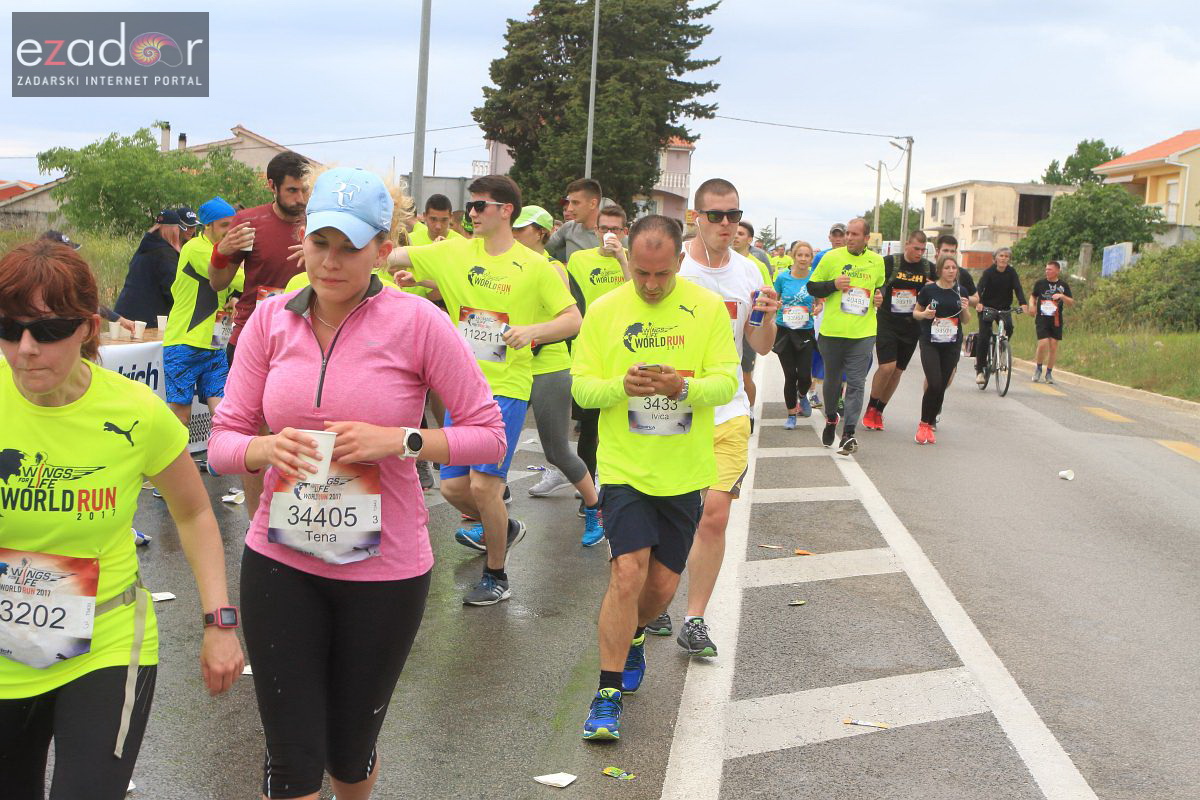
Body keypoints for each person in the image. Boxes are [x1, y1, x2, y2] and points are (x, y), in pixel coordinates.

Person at [209, 167, 505, 800]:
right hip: (281, 560)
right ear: (302, 242)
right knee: (291, 758)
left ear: (381, 248)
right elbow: (222, 443)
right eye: (320, 243)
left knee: (348, 752)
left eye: (350, 247)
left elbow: (488, 433)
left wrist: (402, 441)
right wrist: (265, 447)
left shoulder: (420, 323)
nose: (331, 262)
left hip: (385, 571)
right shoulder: (268, 321)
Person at [0, 239, 242, 799]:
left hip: (105, 639)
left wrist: (220, 621)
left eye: (48, 330)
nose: (25, 350)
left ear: (87, 327)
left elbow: (196, 513)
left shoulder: (135, 412)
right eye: (9, 329)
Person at [572, 214, 739, 740]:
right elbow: (583, 391)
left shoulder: (705, 308)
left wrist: (681, 388)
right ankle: (606, 694)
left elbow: (726, 382)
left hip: (684, 471)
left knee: (662, 587)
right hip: (624, 468)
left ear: (677, 264)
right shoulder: (604, 312)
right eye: (641, 274)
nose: (649, 285)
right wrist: (622, 385)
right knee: (627, 573)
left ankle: (639, 634)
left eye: (660, 275)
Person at [388, 175, 582, 606]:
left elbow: (572, 319)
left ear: (506, 210)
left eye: (480, 206)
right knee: (455, 489)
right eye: (470, 207)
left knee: (484, 486)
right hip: (462, 387)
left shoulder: (535, 266)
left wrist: (532, 331)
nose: (471, 213)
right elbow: (392, 255)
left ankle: (497, 575)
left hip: (507, 388)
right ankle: (504, 528)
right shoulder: (453, 251)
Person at [676, 178, 780, 656]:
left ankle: (695, 617)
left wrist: (768, 316)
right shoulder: (673, 266)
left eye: (733, 215)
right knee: (673, 514)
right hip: (671, 409)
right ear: (695, 216)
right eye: (715, 215)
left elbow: (758, 346)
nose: (725, 224)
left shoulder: (751, 273)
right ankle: (658, 595)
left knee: (714, 515)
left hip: (729, 406)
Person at [208, 151, 312, 520]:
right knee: (255, 436)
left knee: (298, 429)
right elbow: (217, 282)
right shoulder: (248, 223)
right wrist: (222, 254)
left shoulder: (317, 223)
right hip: (251, 339)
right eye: (292, 190)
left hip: (307, 340)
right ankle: (258, 522)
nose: (300, 200)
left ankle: (300, 515)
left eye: (304, 190)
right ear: (272, 186)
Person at [512, 204, 605, 546]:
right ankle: (489, 522)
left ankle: (595, 508)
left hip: (548, 367)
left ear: (540, 232)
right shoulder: (510, 267)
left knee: (556, 452)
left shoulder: (553, 269)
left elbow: (568, 321)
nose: (515, 234)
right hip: (511, 367)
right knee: (496, 447)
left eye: (521, 229)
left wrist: (531, 333)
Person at [562, 204, 632, 516]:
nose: (609, 234)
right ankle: (588, 494)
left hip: (626, 350)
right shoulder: (578, 259)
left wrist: (621, 258)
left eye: (616, 229)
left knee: (623, 422)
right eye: (604, 228)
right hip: (590, 351)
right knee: (588, 427)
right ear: (595, 231)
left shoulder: (631, 258)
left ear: (625, 232)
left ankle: (620, 487)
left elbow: (639, 294)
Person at [162, 196, 244, 427]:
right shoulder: (195, 248)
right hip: (185, 342)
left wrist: (235, 298)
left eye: (233, 224)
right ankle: (175, 462)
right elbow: (239, 279)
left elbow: (236, 288)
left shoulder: (229, 254)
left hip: (216, 341)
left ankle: (222, 460)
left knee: (223, 415)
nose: (231, 231)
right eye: (224, 225)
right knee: (181, 415)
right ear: (207, 226)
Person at [806, 218, 885, 455]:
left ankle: (849, 433)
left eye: (854, 234)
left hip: (863, 332)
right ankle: (832, 418)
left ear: (866, 238)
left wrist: (879, 298)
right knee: (832, 381)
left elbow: (878, 288)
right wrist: (833, 285)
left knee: (856, 382)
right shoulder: (831, 258)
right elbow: (812, 287)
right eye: (847, 233)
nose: (849, 238)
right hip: (832, 331)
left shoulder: (877, 261)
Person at [863, 231, 932, 431]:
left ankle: (879, 411)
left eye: (922, 249)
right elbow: (876, 282)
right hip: (887, 322)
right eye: (915, 248)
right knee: (887, 367)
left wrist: (933, 287)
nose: (919, 253)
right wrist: (878, 294)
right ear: (907, 245)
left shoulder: (928, 268)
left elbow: (944, 286)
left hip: (912, 326)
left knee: (897, 372)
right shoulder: (890, 262)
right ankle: (870, 407)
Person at [913, 254, 971, 444]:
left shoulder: (960, 291)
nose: (951, 271)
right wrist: (925, 314)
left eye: (954, 268)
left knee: (943, 385)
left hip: (951, 343)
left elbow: (966, 320)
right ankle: (923, 424)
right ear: (939, 270)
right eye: (947, 268)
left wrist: (965, 308)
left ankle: (929, 424)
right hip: (930, 341)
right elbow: (916, 313)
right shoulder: (929, 290)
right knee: (934, 383)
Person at [112, 208, 187, 328]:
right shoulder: (165, 254)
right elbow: (173, 289)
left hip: (123, 314)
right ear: (174, 230)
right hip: (144, 320)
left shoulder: (145, 247)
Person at [773, 241, 820, 428]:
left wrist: (818, 308)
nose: (803, 258)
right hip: (784, 330)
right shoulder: (783, 278)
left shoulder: (814, 279)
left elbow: (819, 302)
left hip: (805, 331)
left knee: (805, 377)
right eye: (799, 255)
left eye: (806, 255)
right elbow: (774, 299)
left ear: (810, 259)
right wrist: (775, 306)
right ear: (793, 256)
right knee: (790, 375)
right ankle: (791, 415)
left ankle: (803, 395)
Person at [730, 220, 773, 410]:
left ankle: (750, 412)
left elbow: (766, 293)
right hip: (726, 325)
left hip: (749, 324)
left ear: (749, 239)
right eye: (735, 233)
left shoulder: (757, 265)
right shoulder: (723, 261)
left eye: (741, 233)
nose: (736, 236)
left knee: (746, 375)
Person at [807, 222, 848, 410]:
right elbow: (815, 283)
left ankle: (839, 396)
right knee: (819, 351)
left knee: (843, 355)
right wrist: (818, 303)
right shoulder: (821, 257)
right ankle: (812, 391)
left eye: (842, 235)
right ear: (830, 237)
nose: (838, 239)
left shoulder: (853, 258)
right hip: (824, 310)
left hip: (846, 312)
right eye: (835, 235)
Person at [974, 246, 1027, 385]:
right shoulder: (989, 272)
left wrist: (1023, 303)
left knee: (1009, 327)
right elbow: (980, 288)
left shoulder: (1011, 272)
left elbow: (1018, 288)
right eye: (1001, 256)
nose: (1004, 259)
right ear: (995, 258)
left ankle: (1002, 349)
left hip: (1003, 308)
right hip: (987, 307)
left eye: (1006, 256)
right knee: (984, 336)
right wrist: (978, 302)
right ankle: (980, 370)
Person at [1029, 260, 1074, 384]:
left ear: (1057, 271)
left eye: (1050, 269)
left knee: (1053, 346)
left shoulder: (1063, 285)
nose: (1047, 271)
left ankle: (1049, 373)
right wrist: (1031, 305)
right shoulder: (1040, 283)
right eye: (1046, 269)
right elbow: (1033, 296)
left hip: (1056, 318)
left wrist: (1062, 296)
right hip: (1042, 318)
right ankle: (1038, 368)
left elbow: (1071, 302)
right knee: (1043, 343)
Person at [547, 178, 603, 264]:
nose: (569, 209)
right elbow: (541, 250)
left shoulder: (614, 233)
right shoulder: (568, 228)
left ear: (593, 204)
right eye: (570, 203)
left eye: (575, 203)